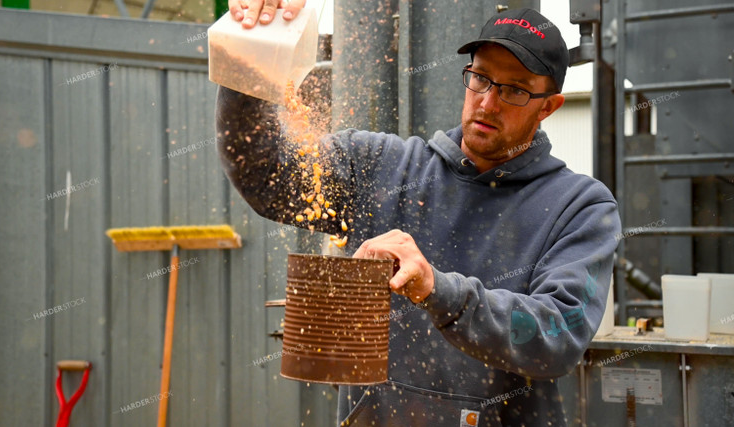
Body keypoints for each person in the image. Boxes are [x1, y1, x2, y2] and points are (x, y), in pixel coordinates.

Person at [217, 2, 621, 425]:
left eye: (515, 89)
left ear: (548, 107)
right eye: (481, 78)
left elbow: (557, 336)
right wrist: (252, 50)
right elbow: (265, 175)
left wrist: (437, 290)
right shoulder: (379, 166)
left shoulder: (580, 208)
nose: (487, 102)